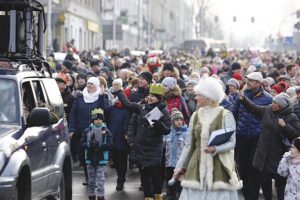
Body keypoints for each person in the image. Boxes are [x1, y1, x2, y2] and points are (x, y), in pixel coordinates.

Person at [173, 77, 242, 200]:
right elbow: (189, 145)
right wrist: (179, 166)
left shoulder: (226, 115)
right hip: (196, 165)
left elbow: (232, 142)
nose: (196, 97)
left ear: (208, 97)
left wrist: (216, 148)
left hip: (219, 167)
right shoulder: (195, 116)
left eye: (199, 95)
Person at [114, 83, 171, 200]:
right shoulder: (142, 107)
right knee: (143, 174)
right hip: (140, 147)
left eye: (153, 96)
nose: (150, 98)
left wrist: (156, 121)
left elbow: (167, 130)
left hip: (154, 148)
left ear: (159, 99)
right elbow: (128, 104)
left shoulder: (164, 111)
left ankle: (158, 195)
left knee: (155, 174)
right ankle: (148, 197)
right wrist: (120, 91)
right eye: (149, 95)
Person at [239, 92, 300, 200]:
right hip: (262, 154)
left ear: (281, 106)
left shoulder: (291, 117)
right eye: (273, 102)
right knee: (264, 182)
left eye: (275, 103)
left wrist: (285, 126)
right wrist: (244, 99)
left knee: (280, 185)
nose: (272, 104)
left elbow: (297, 136)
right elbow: (254, 108)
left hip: (278, 156)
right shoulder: (268, 110)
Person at [232, 71, 272, 200]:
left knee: (254, 171)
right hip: (242, 137)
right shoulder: (241, 96)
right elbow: (234, 113)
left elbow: (269, 120)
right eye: (247, 79)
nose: (247, 82)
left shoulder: (268, 98)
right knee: (243, 170)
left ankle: (252, 197)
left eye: (251, 80)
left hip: (257, 139)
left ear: (259, 83)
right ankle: (246, 196)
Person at [69, 77, 110, 186]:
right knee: (83, 156)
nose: (89, 85)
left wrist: (101, 96)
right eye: (88, 83)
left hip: (97, 131)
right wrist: (72, 129)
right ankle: (88, 178)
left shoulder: (102, 97)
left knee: (96, 155)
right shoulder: (79, 98)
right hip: (82, 132)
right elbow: (73, 114)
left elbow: (105, 110)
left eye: (92, 84)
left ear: (97, 85)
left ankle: (97, 177)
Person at [81, 108, 113, 200]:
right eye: (96, 119)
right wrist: (89, 144)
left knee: (100, 179)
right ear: (92, 120)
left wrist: (100, 146)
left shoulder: (106, 131)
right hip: (90, 158)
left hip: (101, 158)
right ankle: (91, 195)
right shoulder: (87, 131)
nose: (98, 121)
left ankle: (100, 196)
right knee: (91, 180)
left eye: (100, 119)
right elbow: (82, 143)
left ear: (102, 120)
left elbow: (110, 145)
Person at [163, 108, 188, 200]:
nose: (179, 121)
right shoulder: (168, 132)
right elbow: (163, 144)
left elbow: (188, 148)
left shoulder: (186, 133)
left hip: (180, 163)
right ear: (172, 121)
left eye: (181, 119)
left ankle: (180, 194)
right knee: (169, 179)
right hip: (169, 162)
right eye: (177, 120)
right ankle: (171, 193)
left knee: (179, 182)